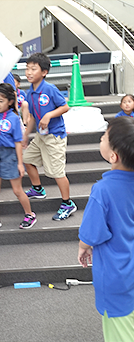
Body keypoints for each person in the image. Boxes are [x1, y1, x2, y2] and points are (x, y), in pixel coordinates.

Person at [78, 116, 134, 342]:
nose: (101, 139)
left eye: (104, 137)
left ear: (114, 155)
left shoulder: (102, 190)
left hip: (116, 274)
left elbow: (92, 232)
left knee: (120, 331)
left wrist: (84, 247)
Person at [22, 52, 77, 221]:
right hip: (40, 136)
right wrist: (25, 136)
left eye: (33, 69)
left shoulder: (50, 89)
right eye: (27, 69)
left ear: (44, 72)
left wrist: (49, 115)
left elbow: (65, 107)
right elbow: (31, 117)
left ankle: (67, 203)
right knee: (27, 158)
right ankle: (38, 189)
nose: (29, 72)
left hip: (55, 137)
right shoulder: (29, 93)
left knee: (57, 172)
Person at [0, 83, 36, 231]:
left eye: (1, 101)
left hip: (9, 154)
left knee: (17, 190)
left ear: (10, 101)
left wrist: (20, 163)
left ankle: (29, 214)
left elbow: (18, 142)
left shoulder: (13, 118)